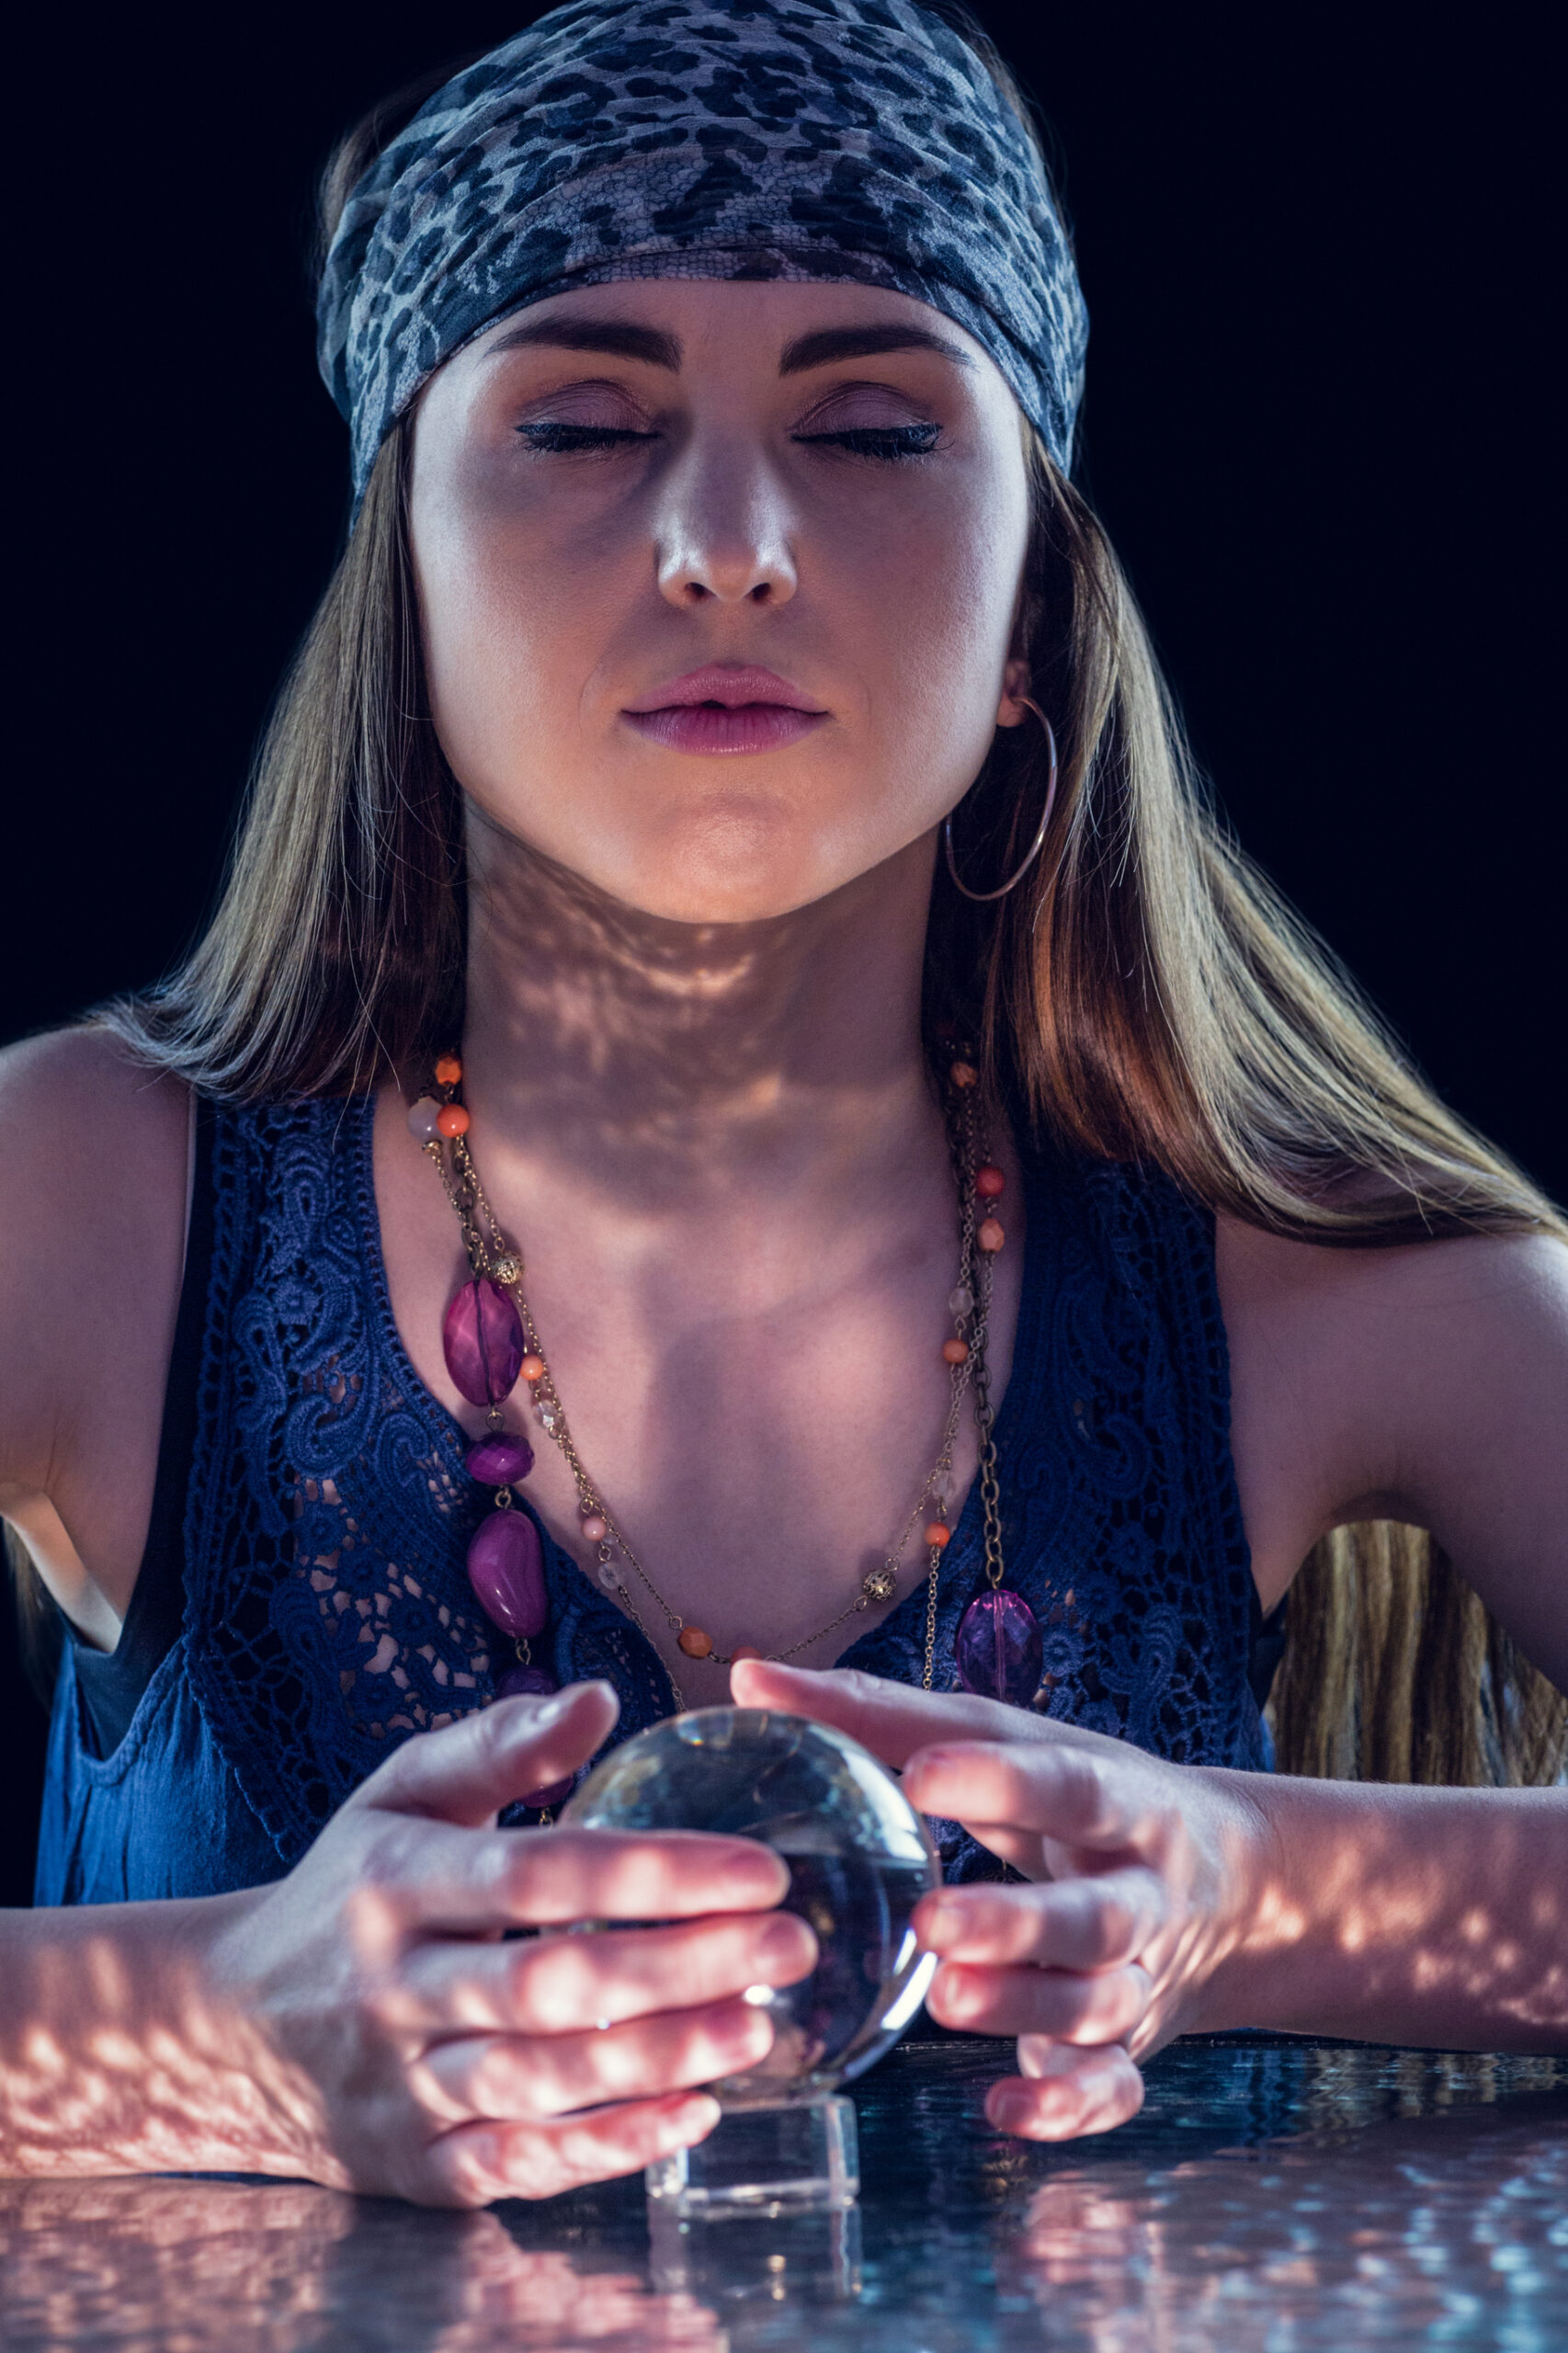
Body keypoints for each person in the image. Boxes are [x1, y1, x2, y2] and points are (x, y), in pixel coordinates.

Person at [1, 0, 1563, 2208]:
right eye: (574, 421)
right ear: (400, 582)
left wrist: (1257, 1889)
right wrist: (217, 2036)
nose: (724, 540)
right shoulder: (80, 1202)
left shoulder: (1306, 1280)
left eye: (869, 427)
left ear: (1033, 603)